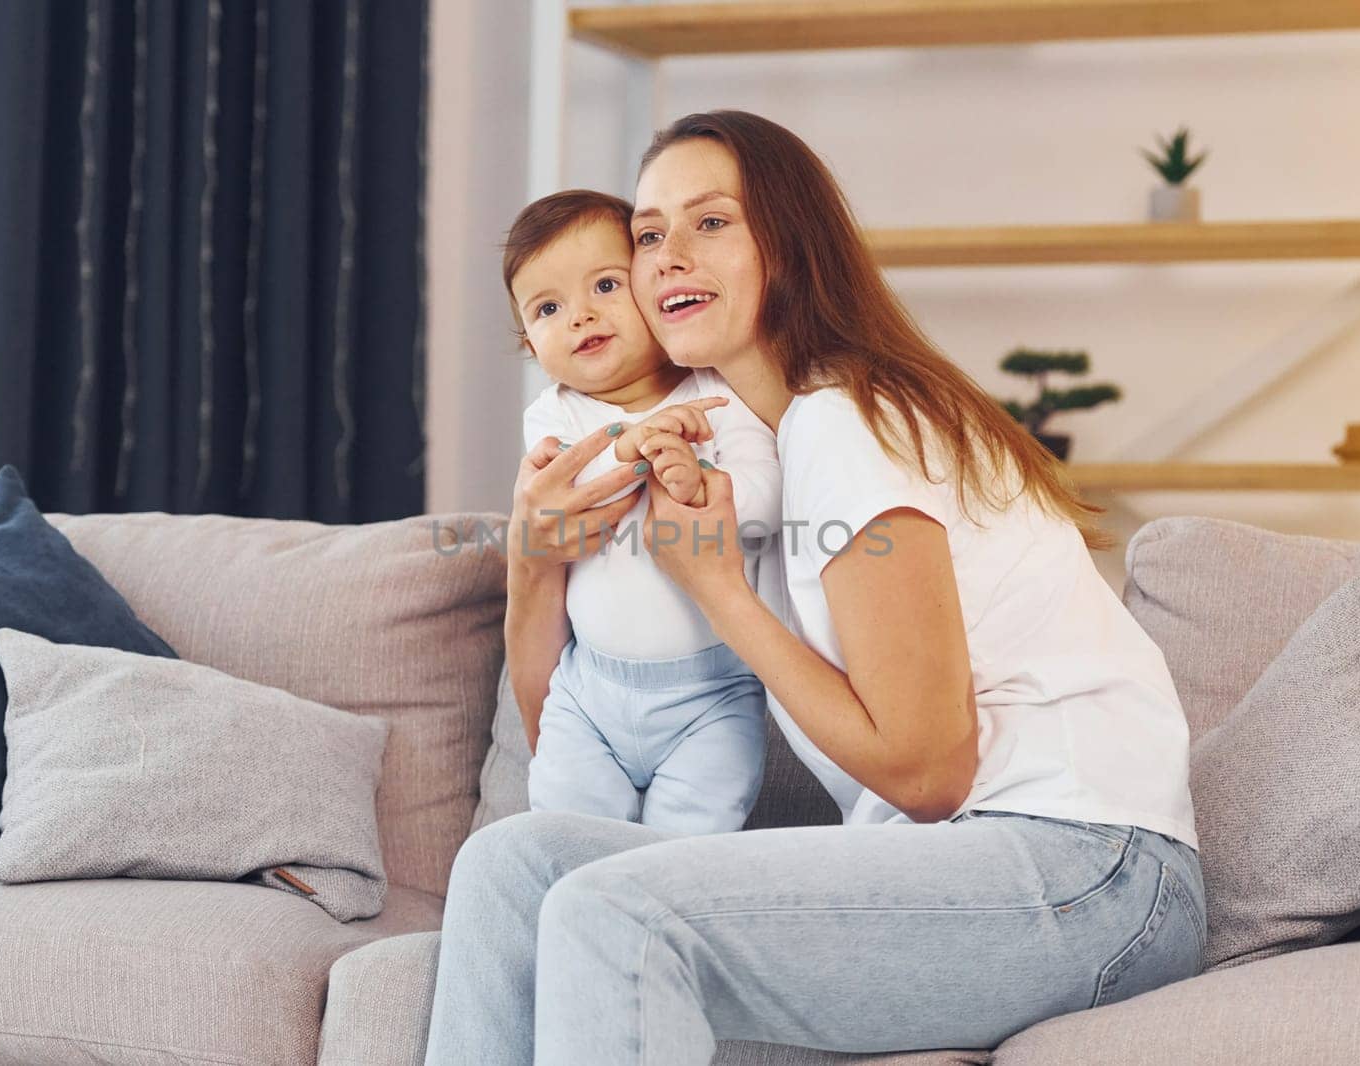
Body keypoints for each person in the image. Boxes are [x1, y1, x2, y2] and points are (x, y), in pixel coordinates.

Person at [424, 110, 1206, 1066]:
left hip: (1092, 873)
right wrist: (534, 559)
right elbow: (560, 730)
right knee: (512, 862)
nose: (669, 255)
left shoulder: (846, 422)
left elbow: (927, 773)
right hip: (981, 863)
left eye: (712, 222)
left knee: (612, 909)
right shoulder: (745, 456)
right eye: (649, 233)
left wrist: (717, 589)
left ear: (790, 247)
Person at [502, 189, 782, 834]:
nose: (580, 316)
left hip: (712, 696)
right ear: (529, 341)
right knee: (566, 838)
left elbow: (765, 494)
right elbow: (570, 496)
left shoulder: (718, 392)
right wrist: (637, 446)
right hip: (586, 694)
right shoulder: (554, 413)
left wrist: (703, 481)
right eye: (549, 308)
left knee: (685, 851)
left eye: (605, 284)